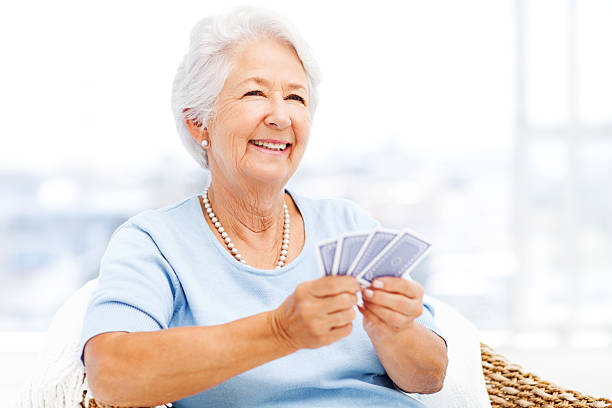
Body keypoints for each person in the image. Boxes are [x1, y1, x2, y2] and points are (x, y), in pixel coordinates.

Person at [80, 6, 448, 407]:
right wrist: (279, 331)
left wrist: (394, 331)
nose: (281, 116)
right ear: (198, 122)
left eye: (295, 97)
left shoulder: (350, 223)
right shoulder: (154, 242)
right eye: (255, 93)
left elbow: (430, 377)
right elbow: (111, 376)